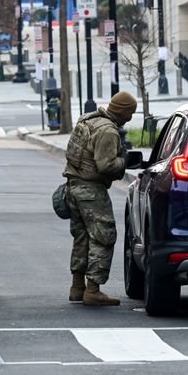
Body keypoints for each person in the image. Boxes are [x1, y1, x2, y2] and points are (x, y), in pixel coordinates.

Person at [64, 91, 137, 306]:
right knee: (103, 236)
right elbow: (105, 166)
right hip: (91, 191)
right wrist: (124, 161)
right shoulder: (108, 131)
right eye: (130, 113)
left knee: (82, 237)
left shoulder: (88, 120)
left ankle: (77, 287)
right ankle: (93, 289)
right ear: (123, 112)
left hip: (73, 186)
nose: (130, 118)